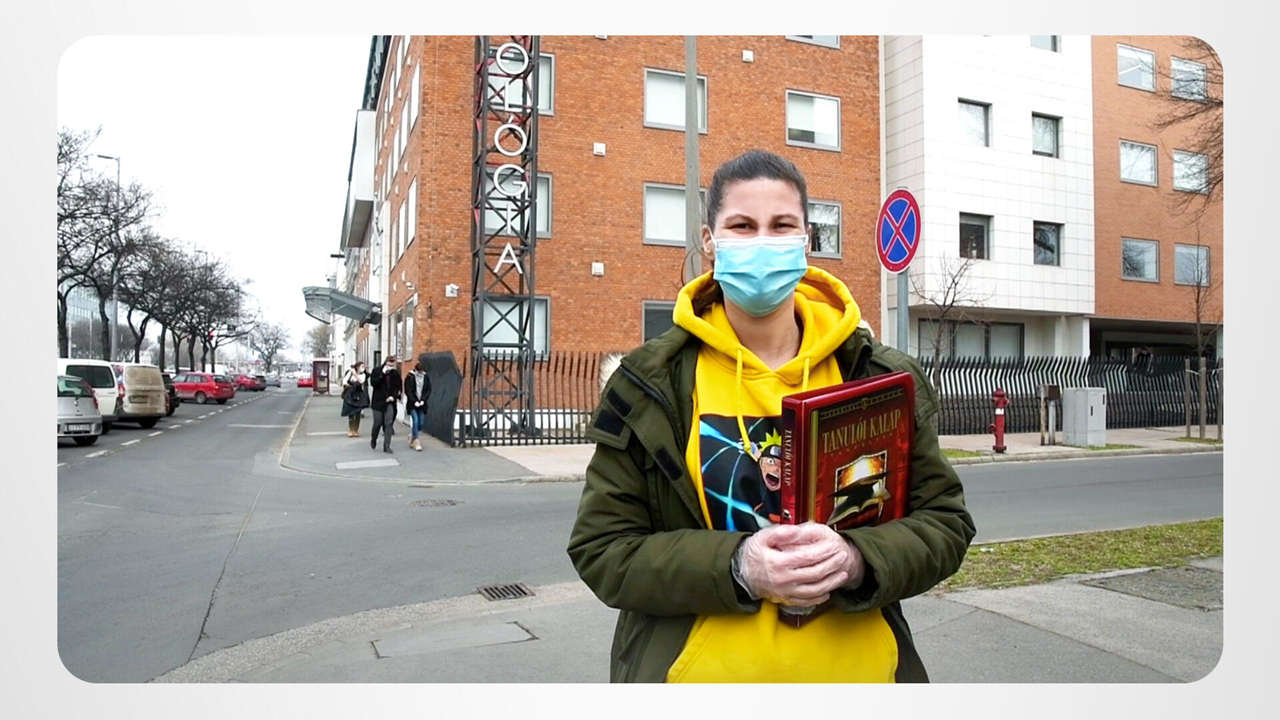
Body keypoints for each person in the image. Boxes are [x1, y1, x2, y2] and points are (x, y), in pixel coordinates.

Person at [567, 149, 976, 683]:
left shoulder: (875, 374)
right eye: (742, 226)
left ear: (806, 241)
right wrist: (738, 566)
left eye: (781, 226)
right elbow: (603, 549)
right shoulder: (650, 384)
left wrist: (858, 559)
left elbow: (944, 523)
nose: (762, 241)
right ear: (709, 240)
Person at [368, 355, 403, 453]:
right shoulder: (377, 371)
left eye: (393, 364)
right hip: (378, 402)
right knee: (377, 423)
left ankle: (387, 446)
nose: (391, 366)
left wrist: (393, 396)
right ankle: (373, 439)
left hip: (390, 402)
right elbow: (374, 383)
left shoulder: (395, 373)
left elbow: (398, 387)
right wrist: (382, 374)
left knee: (388, 423)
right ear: (385, 362)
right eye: (389, 364)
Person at [403, 360, 431, 451]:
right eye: (420, 372)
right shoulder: (410, 376)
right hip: (412, 404)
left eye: (422, 372)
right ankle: (417, 441)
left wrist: (423, 400)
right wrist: (414, 401)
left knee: (420, 423)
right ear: (416, 370)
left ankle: (412, 435)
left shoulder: (426, 377)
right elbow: (408, 390)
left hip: (422, 404)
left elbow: (428, 389)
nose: (421, 373)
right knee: (415, 421)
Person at [340, 361, 370, 437]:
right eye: (362, 366)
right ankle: (351, 430)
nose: (363, 368)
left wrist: (355, 374)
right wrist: (348, 384)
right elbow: (344, 381)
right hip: (350, 394)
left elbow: (361, 381)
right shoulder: (350, 373)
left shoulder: (363, 375)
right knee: (350, 413)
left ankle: (356, 430)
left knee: (357, 413)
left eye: (363, 367)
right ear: (357, 367)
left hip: (358, 394)